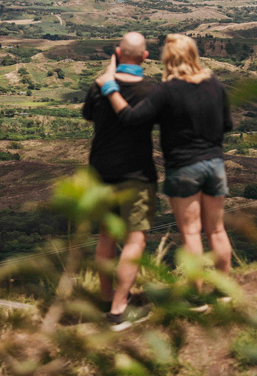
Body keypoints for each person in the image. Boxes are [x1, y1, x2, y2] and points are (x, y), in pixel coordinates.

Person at [96, 34, 233, 311]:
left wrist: (110, 88)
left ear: (166, 59)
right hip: (215, 163)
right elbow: (227, 124)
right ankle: (223, 292)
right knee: (217, 230)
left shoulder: (166, 91)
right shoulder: (215, 86)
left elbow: (131, 118)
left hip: (184, 166)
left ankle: (196, 298)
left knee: (192, 234)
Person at [82, 31, 157, 331]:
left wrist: (106, 79)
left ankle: (104, 298)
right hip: (136, 173)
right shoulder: (151, 91)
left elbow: (89, 115)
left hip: (101, 170)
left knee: (106, 236)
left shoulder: (99, 86)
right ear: (145, 57)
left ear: (117, 52)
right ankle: (118, 309)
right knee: (135, 238)